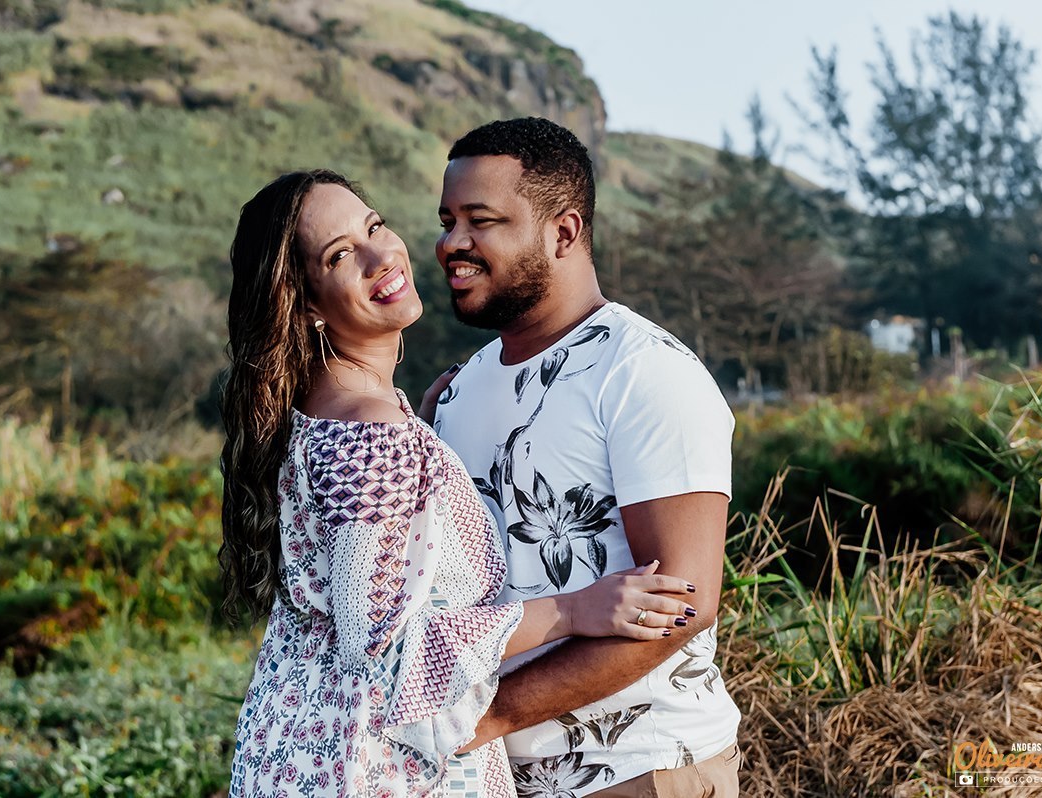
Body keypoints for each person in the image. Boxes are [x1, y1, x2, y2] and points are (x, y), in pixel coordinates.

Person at [220, 169, 700, 798]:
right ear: (304, 303)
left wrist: (424, 448)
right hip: (375, 772)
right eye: (338, 255)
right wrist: (573, 610)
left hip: (303, 752)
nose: (380, 256)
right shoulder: (373, 437)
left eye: (373, 227)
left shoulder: (326, 416)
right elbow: (386, 656)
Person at [428, 118, 742, 797]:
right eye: (448, 221)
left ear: (564, 232)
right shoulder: (458, 391)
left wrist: (490, 716)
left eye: (481, 220)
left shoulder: (644, 372)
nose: (452, 242)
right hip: (488, 774)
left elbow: (686, 602)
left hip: (636, 768)